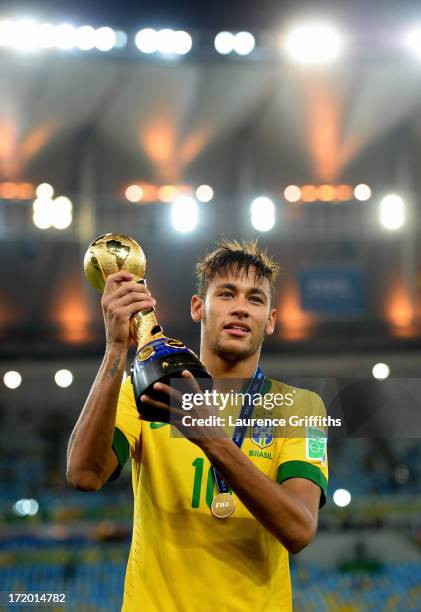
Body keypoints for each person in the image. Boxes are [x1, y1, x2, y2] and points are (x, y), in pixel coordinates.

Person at [67, 239, 328, 612]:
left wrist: (210, 437)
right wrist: (115, 350)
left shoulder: (302, 408)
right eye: (226, 294)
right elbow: (83, 474)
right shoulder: (148, 392)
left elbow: (300, 530)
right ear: (198, 308)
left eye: (255, 299)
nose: (240, 308)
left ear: (270, 321)